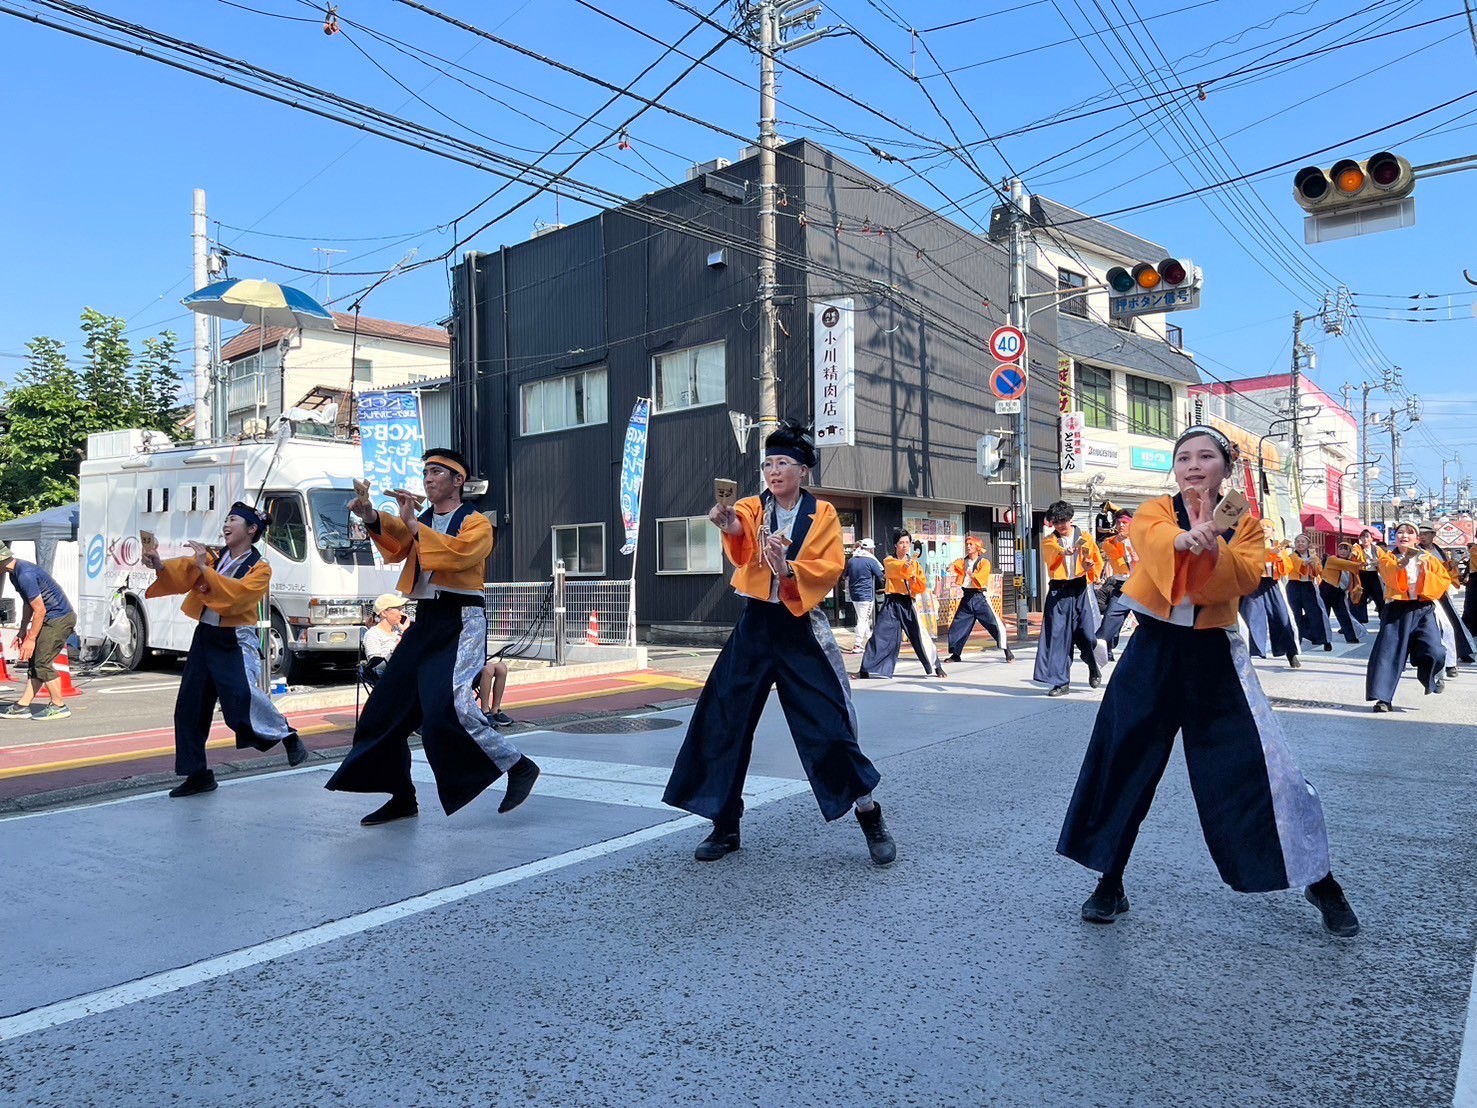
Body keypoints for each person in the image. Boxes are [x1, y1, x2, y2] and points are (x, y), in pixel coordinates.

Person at [1057, 425, 1359, 938]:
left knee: (1263, 771)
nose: (1193, 465)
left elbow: (1243, 577)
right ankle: (1110, 880)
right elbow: (1151, 544)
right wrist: (1184, 538)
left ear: (1226, 467)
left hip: (1215, 657)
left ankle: (1318, 877)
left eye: (1205, 457)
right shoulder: (1155, 510)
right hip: (1152, 651)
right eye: (1183, 458)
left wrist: (1213, 545)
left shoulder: (1247, 524)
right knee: (1123, 761)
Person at [662, 420, 896, 867]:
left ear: (803, 469)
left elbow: (828, 568)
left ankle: (870, 813)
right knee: (722, 718)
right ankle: (724, 824)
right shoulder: (752, 506)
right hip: (756, 622)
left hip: (800, 625)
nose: (773, 470)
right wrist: (729, 526)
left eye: (783, 462)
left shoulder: (822, 514)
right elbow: (741, 540)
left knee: (829, 725)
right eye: (768, 463)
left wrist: (787, 569)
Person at [326, 448, 539, 825]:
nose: (428, 477)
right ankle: (401, 796)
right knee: (382, 711)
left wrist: (412, 525)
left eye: (438, 471)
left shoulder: (476, 523)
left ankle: (517, 765)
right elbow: (398, 547)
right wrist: (372, 515)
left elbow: (456, 556)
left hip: (460, 619)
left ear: (459, 481)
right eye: (426, 471)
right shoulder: (423, 519)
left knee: (450, 706)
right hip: (425, 620)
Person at [140, 503, 307, 797]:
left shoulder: (259, 568)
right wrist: (159, 563)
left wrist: (205, 567)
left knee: (240, 701)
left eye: (233, 520)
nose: (226, 524)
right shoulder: (216, 557)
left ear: (252, 529)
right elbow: (184, 572)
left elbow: (235, 598)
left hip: (234, 637)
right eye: (226, 519)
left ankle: (287, 735)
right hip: (205, 636)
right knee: (189, 706)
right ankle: (198, 773)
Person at [1366, 522, 1451, 712]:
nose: (1404, 535)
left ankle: (1430, 676)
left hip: (1423, 609)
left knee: (1435, 650)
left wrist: (1425, 571)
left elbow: (1444, 580)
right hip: (1397, 609)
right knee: (1388, 654)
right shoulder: (1389, 558)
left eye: (1409, 532)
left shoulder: (1428, 558)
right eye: (1400, 532)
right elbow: (1389, 577)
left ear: (1417, 538)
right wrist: (1400, 567)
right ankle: (1383, 698)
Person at [0, 542, 78, 721]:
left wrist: (31, 639)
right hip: (50, 618)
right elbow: (29, 604)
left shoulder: (25, 574)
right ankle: (22, 706)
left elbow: (40, 609)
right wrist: (22, 630)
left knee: (42, 662)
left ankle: (59, 705)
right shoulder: (15, 574)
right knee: (35, 662)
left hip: (58, 619)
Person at [1034, 500, 1104, 697]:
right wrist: (1064, 551)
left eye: (1062, 521)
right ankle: (1060, 681)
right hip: (1058, 591)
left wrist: (1091, 568)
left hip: (1081, 588)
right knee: (1057, 637)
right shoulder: (1050, 541)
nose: (1060, 526)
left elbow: (1095, 562)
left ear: (1070, 519)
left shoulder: (1085, 538)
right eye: (1055, 522)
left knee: (1087, 633)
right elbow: (1052, 555)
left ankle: (1093, 665)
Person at [857, 528, 946, 679]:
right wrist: (909, 568)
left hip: (908, 602)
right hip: (892, 602)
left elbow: (921, 585)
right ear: (895, 545)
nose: (905, 545)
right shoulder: (889, 560)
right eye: (901, 543)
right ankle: (865, 668)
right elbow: (897, 571)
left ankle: (936, 666)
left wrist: (915, 580)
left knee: (920, 635)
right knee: (880, 635)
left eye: (907, 542)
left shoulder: (915, 564)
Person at [1240, 523, 1301, 670]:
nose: (1263, 528)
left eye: (1267, 526)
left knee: (1282, 616)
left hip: (1272, 583)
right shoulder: (1250, 545)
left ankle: (1290, 652)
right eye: (1260, 526)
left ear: (1273, 531)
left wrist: (1280, 557)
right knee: (1250, 617)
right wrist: (1271, 552)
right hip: (1254, 583)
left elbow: (1288, 567)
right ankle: (1248, 654)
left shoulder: (1278, 546)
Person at [945, 535, 1013, 663]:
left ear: (977, 547)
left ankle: (1007, 650)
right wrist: (951, 567)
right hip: (967, 597)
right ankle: (956, 654)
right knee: (957, 626)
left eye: (971, 544)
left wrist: (972, 575)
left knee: (994, 624)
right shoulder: (963, 561)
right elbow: (955, 565)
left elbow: (981, 578)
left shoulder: (984, 562)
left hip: (979, 597)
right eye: (967, 544)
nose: (968, 546)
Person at [1417, 524, 1476, 667]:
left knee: (1452, 623)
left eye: (1426, 533)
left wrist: (1451, 565)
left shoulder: (1438, 550)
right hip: (1424, 594)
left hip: (1440, 591)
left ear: (1433, 534)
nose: (1423, 536)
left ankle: (1459, 652)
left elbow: (1443, 570)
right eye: (1421, 533)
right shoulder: (1418, 551)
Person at [1095, 510, 1137, 660]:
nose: (1121, 526)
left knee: (1152, 625)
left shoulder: (1143, 540)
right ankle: (1100, 648)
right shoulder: (1110, 542)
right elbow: (1116, 556)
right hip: (1121, 586)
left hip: (1142, 587)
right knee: (1110, 618)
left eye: (1125, 523)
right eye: (1119, 522)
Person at [1283, 534, 1333, 651]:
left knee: (1315, 613)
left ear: (1307, 544)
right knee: (1295, 614)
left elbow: (1319, 571)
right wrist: (1305, 563)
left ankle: (1324, 640)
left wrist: (1314, 564)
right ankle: (1296, 641)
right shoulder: (1292, 556)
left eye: (1303, 542)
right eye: (1298, 541)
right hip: (1294, 586)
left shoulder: (1314, 557)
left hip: (1309, 586)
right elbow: (1295, 565)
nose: (1300, 544)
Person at [842, 538, 884, 655]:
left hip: (854, 594)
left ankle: (871, 640)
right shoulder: (871, 561)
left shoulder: (852, 560)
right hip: (866, 594)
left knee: (863, 618)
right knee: (863, 619)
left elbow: (844, 576)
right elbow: (880, 575)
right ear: (870, 549)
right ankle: (857, 644)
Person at [1318, 542, 1366, 644]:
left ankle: (1351, 637)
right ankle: (1324, 640)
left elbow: (1354, 575)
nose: (1343, 551)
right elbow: (1346, 565)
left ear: (1349, 551)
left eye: (1346, 549)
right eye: (1341, 549)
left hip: (1339, 592)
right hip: (1326, 590)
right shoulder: (1332, 559)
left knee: (1344, 615)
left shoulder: (1350, 563)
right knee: (1323, 616)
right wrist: (1359, 564)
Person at [362, 592, 409, 676]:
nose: (402, 613)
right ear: (384, 613)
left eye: (402, 609)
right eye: (398, 609)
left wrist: (406, 633)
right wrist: (396, 652)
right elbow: (375, 666)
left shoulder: (399, 631)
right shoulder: (373, 634)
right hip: (389, 677)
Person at [1352, 529, 1385, 625]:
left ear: (1371, 539)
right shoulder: (1358, 547)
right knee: (1361, 597)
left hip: (1374, 574)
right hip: (1362, 574)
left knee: (1379, 597)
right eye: (1363, 537)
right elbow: (1354, 555)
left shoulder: (1376, 549)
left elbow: (1384, 559)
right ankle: (1361, 619)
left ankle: (1383, 617)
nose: (1365, 539)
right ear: (1360, 538)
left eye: (1367, 537)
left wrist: (1377, 562)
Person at [477, 656, 512, 726]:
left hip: (479, 661)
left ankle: (495, 710)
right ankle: (485, 710)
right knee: (488, 667)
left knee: (502, 667)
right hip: (466, 666)